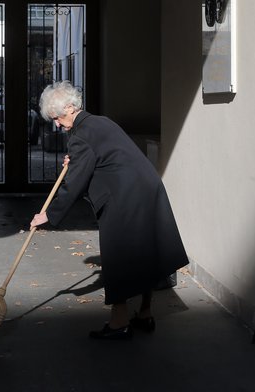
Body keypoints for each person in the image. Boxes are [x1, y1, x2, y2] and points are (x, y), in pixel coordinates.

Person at [30, 81, 188, 340]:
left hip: (124, 199)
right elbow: (105, 154)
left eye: (57, 117)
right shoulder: (100, 122)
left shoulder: (81, 135)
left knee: (118, 258)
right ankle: (145, 315)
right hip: (146, 189)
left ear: (69, 108)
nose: (56, 124)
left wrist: (50, 214)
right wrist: (79, 159)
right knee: (144, 252)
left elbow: (75, 183)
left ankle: (119, 323)